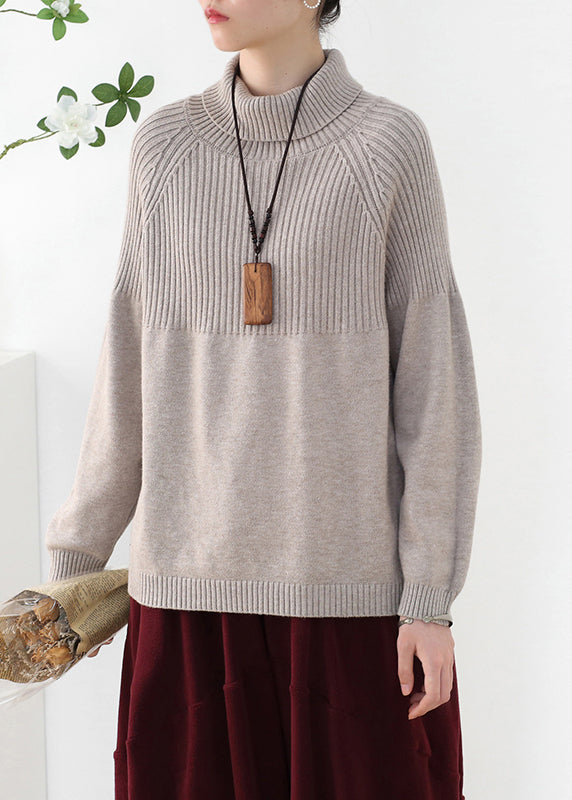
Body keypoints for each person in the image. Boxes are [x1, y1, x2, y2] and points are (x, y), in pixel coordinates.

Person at [46, 1, 482, 797]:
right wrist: (74, 564)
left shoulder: (388, 145)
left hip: (348, 601)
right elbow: (129, 363)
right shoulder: (165, 148)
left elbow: (433, 387)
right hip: (185, 599)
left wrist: (428, 599)